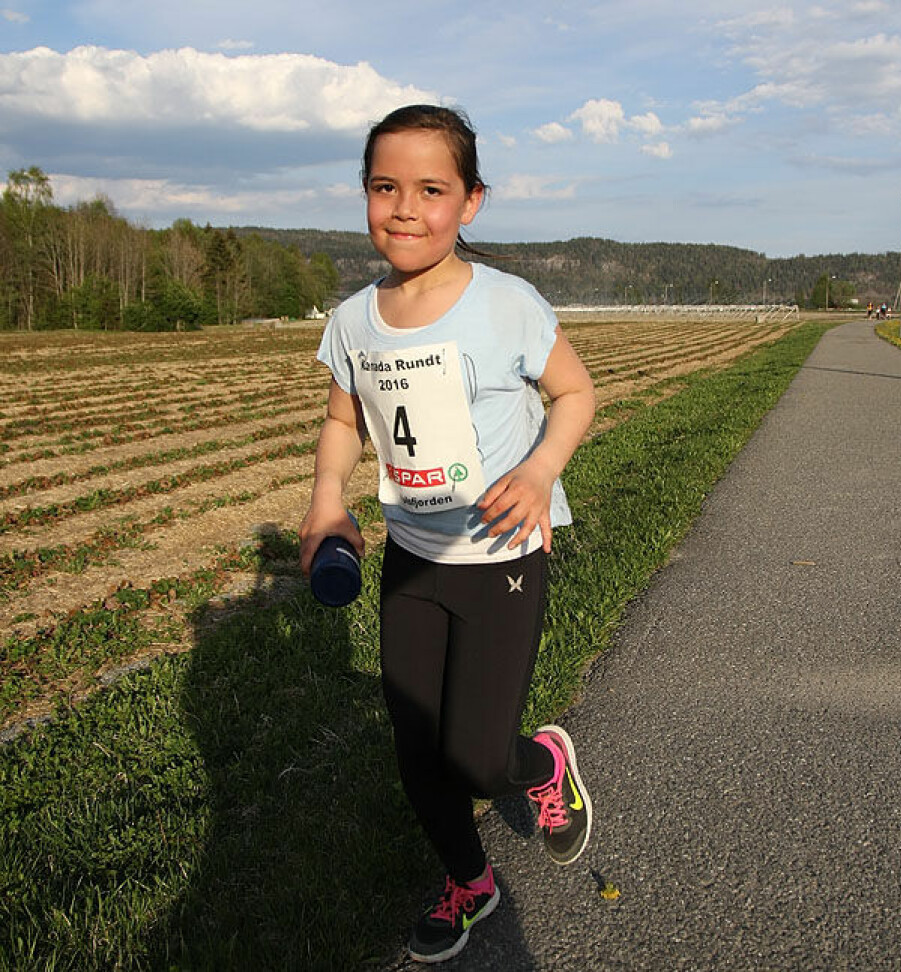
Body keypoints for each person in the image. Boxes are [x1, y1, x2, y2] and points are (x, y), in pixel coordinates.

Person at [299, 104, 596, 964]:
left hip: (502, 557)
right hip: (414, 560)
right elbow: (343, 421)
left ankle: (540, 766)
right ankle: (471, 881)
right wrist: (327, 498)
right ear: (363, 194)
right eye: (384, 186)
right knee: (416, 744)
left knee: (476, 755)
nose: (403, 208)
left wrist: (540, 473)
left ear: (470, 203)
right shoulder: (355, 320)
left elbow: (575, 395)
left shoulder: (507, 304)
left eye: (430, 190)